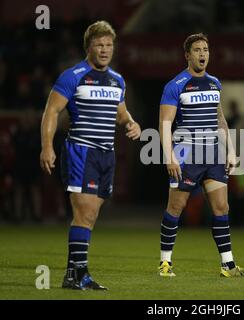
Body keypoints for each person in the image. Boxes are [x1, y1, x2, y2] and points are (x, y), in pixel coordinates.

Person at [40, 21, 141, 290]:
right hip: (80, 151)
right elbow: (51, 111)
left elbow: (120, 112)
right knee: (83, 212)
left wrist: (131, 122)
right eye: (99, 45)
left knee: (91, 216)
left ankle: (75, 274)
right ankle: (77, 274)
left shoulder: (117, 80)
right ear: (89, 47)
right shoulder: (73, 75)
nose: (105, 49)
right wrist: (47, 146)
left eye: (109, 45)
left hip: (105, 155)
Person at [158, 33, 244, 278]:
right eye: (197, 50)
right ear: (187, 55)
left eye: (206, 49)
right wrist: (169, 156)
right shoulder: (176, 84)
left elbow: (219, 119)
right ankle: (165, 263)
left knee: (222, 207)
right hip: (186, 153)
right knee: (176, 206)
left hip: (213, 153)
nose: (203, 54)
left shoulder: (214, 83)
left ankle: (228, 265)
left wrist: (231, 151)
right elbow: (165, 123)